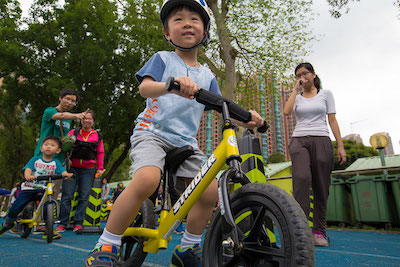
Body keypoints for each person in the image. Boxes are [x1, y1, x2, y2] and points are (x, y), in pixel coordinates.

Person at [85, 0, 264, 266]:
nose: (187, 23)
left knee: (209, 191)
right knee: (147, 180)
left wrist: (248, 119)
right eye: (178, 19)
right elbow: (144, 89)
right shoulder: (163, 59)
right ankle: (106, 244)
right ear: (167, 33)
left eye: (195, 19)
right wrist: (171, 84)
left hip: (185, 143)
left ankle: (187, 249)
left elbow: (219, 105)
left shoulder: (206, 75)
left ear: (204, 32)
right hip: (152, 133)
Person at [283, 62, 346, 247]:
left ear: (313, 74)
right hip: (299, 140)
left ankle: (319, 231)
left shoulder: (326, 94)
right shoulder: (297, 97)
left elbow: (332, 120)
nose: (302, 77)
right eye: (298, 76)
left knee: (321, 186)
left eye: (305, 73)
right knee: (301, 179)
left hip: (322, 140)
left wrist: (340, 145)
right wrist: (295, 89)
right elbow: (286, 111)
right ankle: (301, 230)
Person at [0, 136, 73, 237]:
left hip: (44, 189)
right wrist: (28, 176)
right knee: (17, 205)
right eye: (46, 145)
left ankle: (49, 229)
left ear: (58, 150)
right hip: (29, 188)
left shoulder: (56, 163)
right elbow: (28, 169)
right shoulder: (35, 160)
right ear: (41, 148)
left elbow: (62, 170)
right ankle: (8, 221)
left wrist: (66, 174)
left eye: (52, 145)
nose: (48, 147)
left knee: (48, 206)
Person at [34, 87, 88, 199]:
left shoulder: (69, 119)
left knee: (53, 192)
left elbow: (65, 137)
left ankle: (48, 216)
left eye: (73, 101)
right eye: (67, 99)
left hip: (59, 160)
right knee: (35, 189)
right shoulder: (49, 111)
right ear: (60, 98)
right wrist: (77, 115)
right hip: (44, 157)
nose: (70, 103)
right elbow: (61, 116)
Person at [56, 110, 105, 233]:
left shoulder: (97, 136)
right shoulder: (74, 132)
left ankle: (78, 222)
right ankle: (62, 222)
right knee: (67, 195)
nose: (87, 121)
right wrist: (68, 160)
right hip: (72, 168)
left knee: (84, 196)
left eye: (89, 119)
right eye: (84, 118)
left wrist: (100, 168)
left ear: (93, 121)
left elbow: (100, 153)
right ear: (81, 120)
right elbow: (65, 147)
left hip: (88, 170)